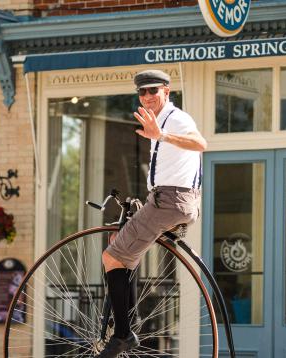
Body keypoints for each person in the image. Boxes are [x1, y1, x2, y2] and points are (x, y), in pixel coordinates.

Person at [95, 69, 207, 357]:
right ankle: (126, 327)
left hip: (170, 201)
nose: (146, 97)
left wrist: (162, 135)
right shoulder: (160, 121)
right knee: (121, 255)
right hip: (167, 200)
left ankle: (122, 335)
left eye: (153, 91)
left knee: (111, 257)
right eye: (142, 92)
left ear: (167, 91)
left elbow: (200, 144)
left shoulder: (176, 119)